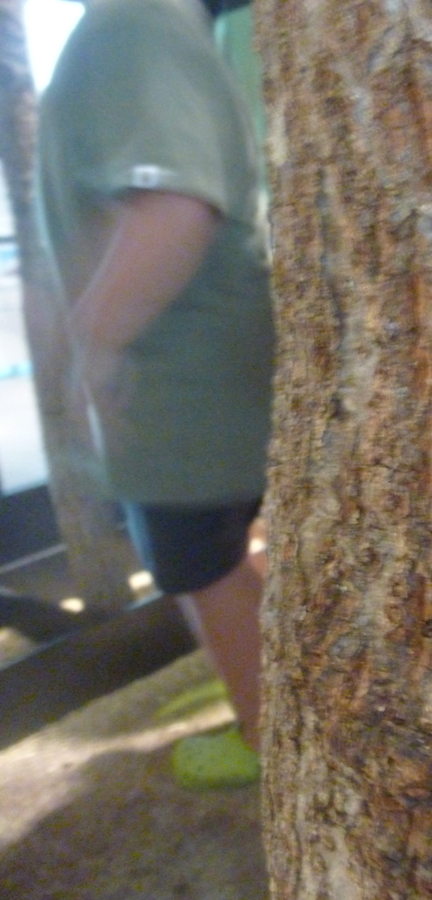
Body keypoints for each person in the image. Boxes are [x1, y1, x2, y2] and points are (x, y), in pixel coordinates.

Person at [36, 0, 274, 788]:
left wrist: (92, 343)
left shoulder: (129, 23)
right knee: (217, 553)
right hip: (205, 365)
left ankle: (268, 737)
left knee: (198, 562)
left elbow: (172, 209)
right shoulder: (160, 28)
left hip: (178, 375)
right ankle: (277, 692)